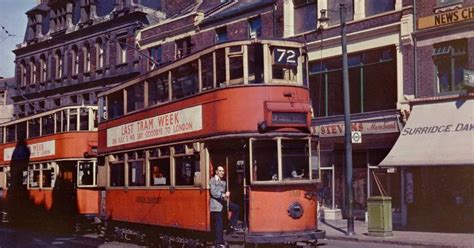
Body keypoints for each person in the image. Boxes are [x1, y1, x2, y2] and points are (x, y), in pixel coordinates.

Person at [209, 166, 239, 247]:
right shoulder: (212, 180)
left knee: (236, 208)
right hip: (216, 205)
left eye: (223, 171)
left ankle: (231, 225)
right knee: (219, 224)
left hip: (223, 203)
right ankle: (219, 242)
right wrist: (224, 195)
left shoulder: (223, 182)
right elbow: (213, 192)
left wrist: (226, 197)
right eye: (220, 171)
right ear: (216, 172)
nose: (222, 172)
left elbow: (224, 194)